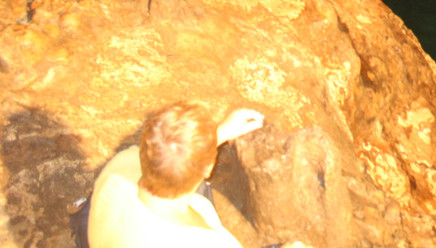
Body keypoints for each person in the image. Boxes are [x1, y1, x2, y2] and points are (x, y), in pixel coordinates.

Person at [83, 102, 300, 248]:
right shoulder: (209, 242)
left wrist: (219, 133)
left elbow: (170, 156)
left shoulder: (120, 169)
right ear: (208, 168)